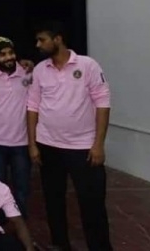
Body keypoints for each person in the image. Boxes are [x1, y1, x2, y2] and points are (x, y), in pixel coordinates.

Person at [27, 21, 113, 251]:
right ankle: (60, 244)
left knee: (92, 203)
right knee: (53, 200)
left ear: (58, 39)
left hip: (83, 147)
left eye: (42, 40)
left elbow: (103, 104)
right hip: (48, 145)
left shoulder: (88, 65)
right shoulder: (40, 69)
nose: (38, 45)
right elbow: (32, 106)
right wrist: (33, 144)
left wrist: (98, 145)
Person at [0, 37, 31, 218]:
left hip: (22, 142)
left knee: (22, 187)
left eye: (11, 53)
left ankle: (20, 223)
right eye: (2, 54)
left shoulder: (27, 72)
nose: (8, 57)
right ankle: (0, 222)